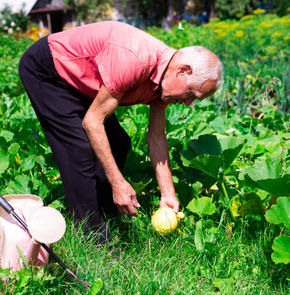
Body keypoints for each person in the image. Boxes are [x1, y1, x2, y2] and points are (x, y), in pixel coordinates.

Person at [18, 21, 222, 243]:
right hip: (49, 70)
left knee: (119, 142)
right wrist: (118, 183)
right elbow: (93, 122)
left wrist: (168, 194)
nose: (188, 103)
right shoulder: (136, 60)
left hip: (82, 80)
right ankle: (93, 240)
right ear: (183, 71)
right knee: (79, 151)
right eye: (191, 94)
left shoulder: (166, 79)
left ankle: (103, 212)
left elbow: (156, 137)